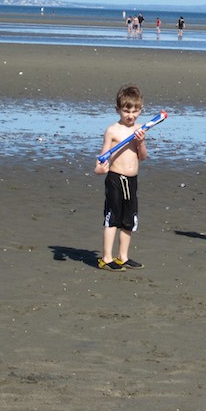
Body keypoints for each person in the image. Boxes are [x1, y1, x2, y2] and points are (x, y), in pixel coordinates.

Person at [93, 84, 150, 272]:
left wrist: (140, 142)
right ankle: (106, 258)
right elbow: (102, 160)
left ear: (140, 110)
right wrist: (101, 169)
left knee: (129, 219)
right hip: (115, 179)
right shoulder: (112, 130)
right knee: (113, 218)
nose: (130, 115)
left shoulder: (140, 129)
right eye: (126, 110)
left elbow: (142, 156)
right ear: (118, 109)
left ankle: (122, 257)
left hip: (132, 180)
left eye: (135, 111)